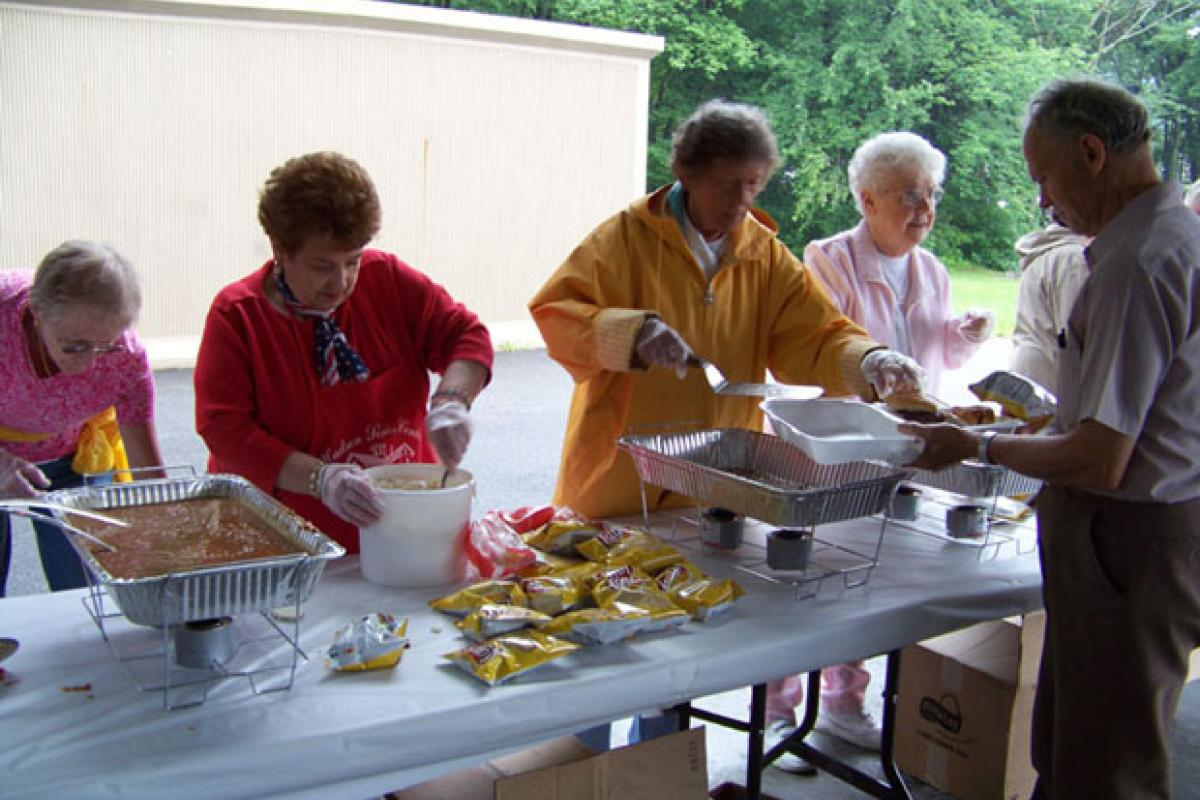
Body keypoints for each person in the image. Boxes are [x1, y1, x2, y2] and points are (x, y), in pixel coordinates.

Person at [529, 99, 924, 761]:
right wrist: (626, 332)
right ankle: (577, 772)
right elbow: (555, 311)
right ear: (685, 172)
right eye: (727, 185)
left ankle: (657, 773)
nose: (742, 203)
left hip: (718, 489)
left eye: (755, 187)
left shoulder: (761, 253)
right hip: (618, 486)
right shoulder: (624, 239)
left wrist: (869, 358)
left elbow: (815, 335)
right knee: (599, 653)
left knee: (684, 658)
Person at [902, 79, 1200, 800]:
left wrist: (975, 447)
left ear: (1092, 153)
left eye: (1043, 176)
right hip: (1137, 536)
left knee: (1106, 768)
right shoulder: (1167, 239)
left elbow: (1102, 455)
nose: (1042, 200)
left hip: (1126, 537)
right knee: (1074, 751)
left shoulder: (1139, 262)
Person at [772, 132, 994, 755]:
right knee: (805, 577)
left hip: (905, 449)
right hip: (835, 449)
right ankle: (776, 711)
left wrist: (965, 334)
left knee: (875, 578)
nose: (924, 210)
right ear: (868, 200)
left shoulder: (933, 270)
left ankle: (845, 702)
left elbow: (938, 359)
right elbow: (815, 352)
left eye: (931, 195)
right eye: (908, 196)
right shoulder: (829, 260)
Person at [195, 152, 493, 553]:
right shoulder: (238, 316)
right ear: (280, 250)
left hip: (401, 527)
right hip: (287, 541)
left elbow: (464, 335)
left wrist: (451, 400)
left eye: (352, 261)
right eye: (322, 266)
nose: (342, 283)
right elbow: (226, 431)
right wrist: (322, 479)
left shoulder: (386, 279)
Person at [0, 240, 164, 596]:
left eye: (105, 344)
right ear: (36, 315)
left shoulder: (127, 357)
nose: (89, 363)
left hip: (71, 454)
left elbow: (147, 470)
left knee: (84, 585)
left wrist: (166, 538)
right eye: (74, 346)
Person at [1009, 223, 1090, 395]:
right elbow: (1076, 338)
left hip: (1029, 375)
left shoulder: (1049, 254)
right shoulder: (1073, 259)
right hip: (1049, 382)